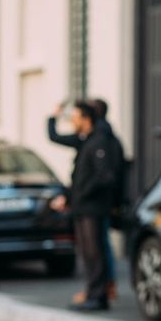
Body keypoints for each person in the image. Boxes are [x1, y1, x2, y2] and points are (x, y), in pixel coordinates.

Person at [48, 98, 124, 302]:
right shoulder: (87, 140)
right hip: (83, 207)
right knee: (88, 253)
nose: (72, 122)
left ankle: (99, 294)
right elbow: (81, 175)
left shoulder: (100, 140)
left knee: (96, 251)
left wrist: (80, 195)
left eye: (74, 118)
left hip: (93, 208)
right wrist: (70, 196)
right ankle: (94, 292)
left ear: (86, 118)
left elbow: (104, 176)